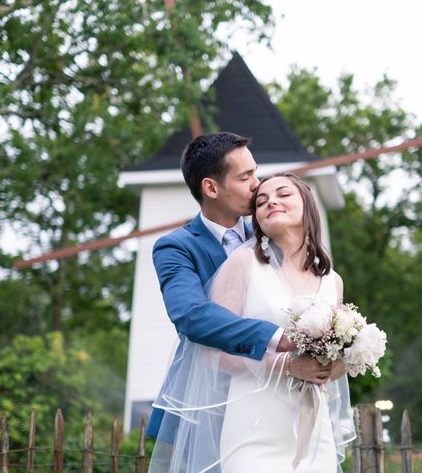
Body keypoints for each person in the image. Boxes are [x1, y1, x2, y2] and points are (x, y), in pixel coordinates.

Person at [150, 171, 355, 472]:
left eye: (283, 194)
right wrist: (287, 365)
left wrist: (345, 358)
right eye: (261, 200)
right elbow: (214, 354)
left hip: (313, 426)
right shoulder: (243, 263)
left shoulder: (332, 281)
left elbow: (332, 360)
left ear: (308, 205)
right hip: (253, 426)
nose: (271, 201)